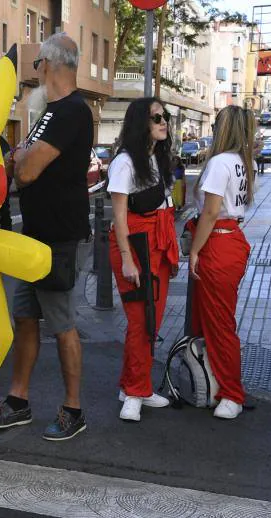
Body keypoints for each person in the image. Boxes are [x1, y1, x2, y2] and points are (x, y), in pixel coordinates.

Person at [0, 33, 92, 441]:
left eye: (36, 65)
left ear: (47, 63)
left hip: (59, 237)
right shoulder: (50, 111)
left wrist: (22, 158)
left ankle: (73, 409)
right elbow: (23, 159)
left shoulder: (72, 112)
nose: (35, 73)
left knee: (62, 324)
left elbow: (24, 170)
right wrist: (23, 157)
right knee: (25, 317)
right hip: (36, 236)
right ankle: (18, 401)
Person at [107, 97, 178, 422]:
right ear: (141, 124)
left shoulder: (154, 158)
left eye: (165, 116)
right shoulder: (125, 162)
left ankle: (134, 386)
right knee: (141, 320)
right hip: (135, 245)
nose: (164, 122)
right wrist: (127, 259)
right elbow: (119, 216)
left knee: (152, 319)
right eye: (156, 118)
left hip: (156, 242)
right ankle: (135, 392)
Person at [188, 105, 255, 420]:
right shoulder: (241, 161)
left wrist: (194, 251)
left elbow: (211, 212)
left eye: (215, 124)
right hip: (232, 240)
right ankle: (221, 387)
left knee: (219, 325)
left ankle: (231, 393)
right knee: (219, 321)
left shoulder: (218, 162)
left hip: (219, 242)